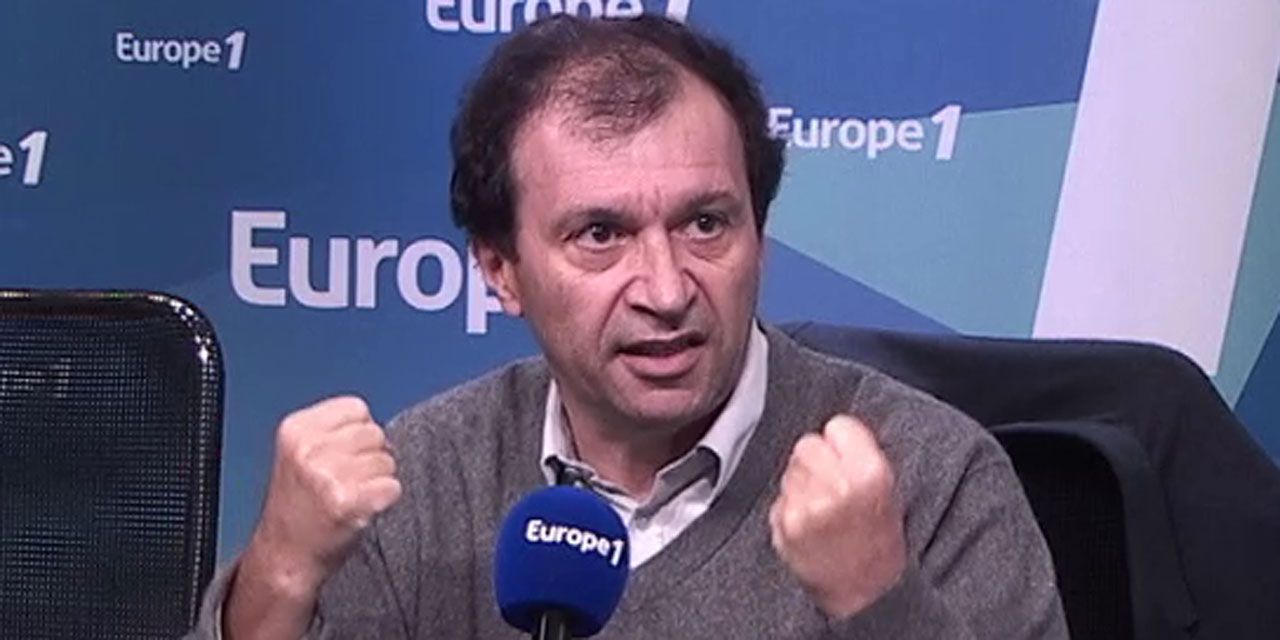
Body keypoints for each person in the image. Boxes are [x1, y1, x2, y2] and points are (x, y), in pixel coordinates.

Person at [190, 13, 1067, 639]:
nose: (666, 289)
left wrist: (878, 602)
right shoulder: (423, 482)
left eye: (705, 224)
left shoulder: (929, 478)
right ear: (500, 270)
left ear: (760, 236)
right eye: (601, 235)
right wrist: (281, 572)